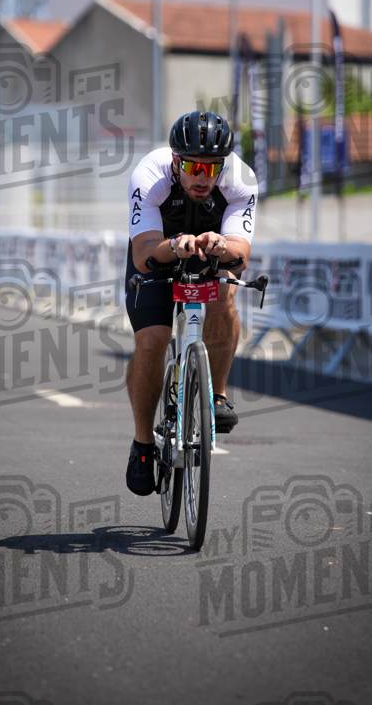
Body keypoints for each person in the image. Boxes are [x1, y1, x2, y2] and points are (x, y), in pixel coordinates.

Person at [125, 110, 257, 496]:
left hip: (211, 248)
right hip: (161, 247)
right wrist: (173, 245)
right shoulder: (150, 175)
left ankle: (216, 396)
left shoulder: (240, 178)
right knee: (152, 339)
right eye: (194, 166)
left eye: (212, 168)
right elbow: (142, 253)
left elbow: (241, 253)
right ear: (176, 161)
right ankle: (142, 444)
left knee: (223, 294)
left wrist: (220, 245)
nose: (203, 177)